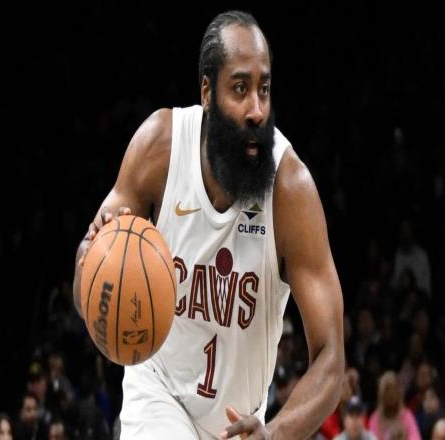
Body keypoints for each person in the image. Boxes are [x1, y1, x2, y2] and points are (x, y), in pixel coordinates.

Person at [73, 10, 344, 439]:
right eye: (240, 88)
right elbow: (86, 282)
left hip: (240, 421)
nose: (257, 110)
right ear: (207, 92)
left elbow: (331, 358)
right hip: (158, 390)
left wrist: (275, 433)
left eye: (264, 89)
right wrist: (91, 263)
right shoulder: (160, 148)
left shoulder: (290, 190)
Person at [368, 371, 421, 440]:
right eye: (387, 390)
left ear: (399, 393)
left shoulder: (407, 416)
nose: (391, 394)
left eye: (394, 389)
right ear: (381, 394)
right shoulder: (375, 418)